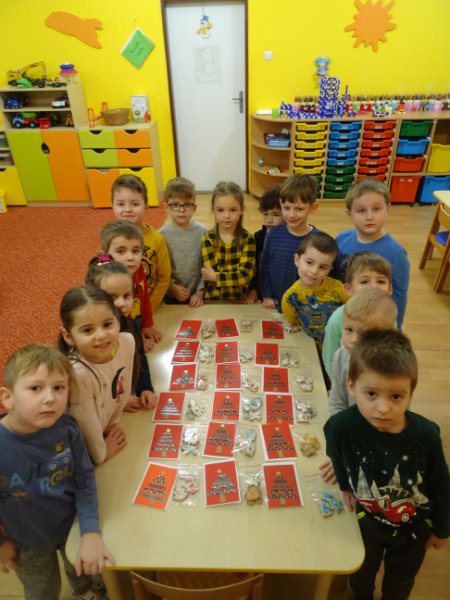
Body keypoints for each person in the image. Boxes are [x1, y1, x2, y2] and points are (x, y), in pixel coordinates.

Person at [324, 329, 450, 600]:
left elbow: (441, 485)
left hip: (413, 529)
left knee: (400, 583)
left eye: (396, 396)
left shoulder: (427, 435)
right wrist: (345, 486)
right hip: (367, 521)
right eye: (371, 394)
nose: (383, 408)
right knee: (361, 575)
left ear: (410, 392)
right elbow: (336, 455)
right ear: (351, 386)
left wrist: (442, 529)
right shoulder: (339, 427)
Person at [0, 343, 114, 600]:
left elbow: (84, 478)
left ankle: (86, 593)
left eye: (59, 388)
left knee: (84, 575)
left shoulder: (67, 428)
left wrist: (90, 531)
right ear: (8, 398)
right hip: (26, 542)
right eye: (35, 388)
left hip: (71, 527)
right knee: (41, 591)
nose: (50, 398)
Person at [58, 285, 134, 465]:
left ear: (118, 321)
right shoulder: (78, 373)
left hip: (103, 422)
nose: (101, 335)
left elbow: (124, 382)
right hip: (79, 443)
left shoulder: (127, 342)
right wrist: (101, 454)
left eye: (107, 324)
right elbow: (85, 423)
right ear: (68, 336)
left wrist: (113, 421)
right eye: (87, 330)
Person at [335, 177, 410, 329]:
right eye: (361, 211)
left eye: (376, 209)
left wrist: (393, 328)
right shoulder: (341, 240)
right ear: (349, 214)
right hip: (344, 317)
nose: (369, 217)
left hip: (375, 322)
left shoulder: (396, 254)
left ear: (387, 209)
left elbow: (399, 295)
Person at [85, 255, 157, 412]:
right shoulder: (92, 339)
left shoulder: (132, 325)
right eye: (112, 297)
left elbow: (139, 358)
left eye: (127, 295)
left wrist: (145, 388)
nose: (122, 303)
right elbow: (91, 382)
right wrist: (118, 401)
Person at [322, 251, 393, 381]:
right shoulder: (337, 319)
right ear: (349, 289)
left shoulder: (389, 317)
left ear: (389, 289)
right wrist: (344, 386)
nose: (373, 287)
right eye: (364, 281)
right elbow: (330, 360)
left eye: (381, 281)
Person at [328, 287, 398, 416]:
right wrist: (339, 424)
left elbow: (397, 413)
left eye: (364, 334)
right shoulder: (341, 356)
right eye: (349, 330)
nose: (353, 340)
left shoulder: (396, 368)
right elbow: (336, 401)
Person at [111, 173, 171, 312]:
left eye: (135, 204)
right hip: (120, 309)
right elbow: (102, 265)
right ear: (112, 206)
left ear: (146, 207)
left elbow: (164, 278)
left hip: (149, 308)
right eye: (121, 204)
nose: (127, 209)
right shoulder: (110, 240)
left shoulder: (157, 240)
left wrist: (148, 309)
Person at [99, 219, 162, 352]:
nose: (130, 257)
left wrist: (146, 326)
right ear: (106, 254)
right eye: (121, 252)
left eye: (135, 251)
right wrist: (137, 340)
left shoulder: (138, 269)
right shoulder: (103, 278)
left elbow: (144, 298)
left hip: (133, 318)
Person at [260, 173, 319, 310]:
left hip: (304, 307)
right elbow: (264, 268)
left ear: (313, 208)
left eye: (299, 209)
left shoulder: (318, 240)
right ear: (281, 204)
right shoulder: (272, 235)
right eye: (287, 208)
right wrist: (266, 295)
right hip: (274, 303)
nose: (291, 215)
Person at [281, 231, 348, 342]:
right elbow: (294, 322)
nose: (314, 271)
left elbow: (352, 312)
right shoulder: (289, 298)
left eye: (322, 267)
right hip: (310, 343)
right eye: (309, 263)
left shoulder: (339, 289)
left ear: (329, 269)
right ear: (297, 260)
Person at [201, 181, 256, 301]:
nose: (226, 216)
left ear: (241, 210)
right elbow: (209, 276)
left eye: (233, 210)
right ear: (213, 210)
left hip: (241, 300)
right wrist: (233, 276)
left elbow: (245, 276)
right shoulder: (207, 239)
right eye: (220, 210)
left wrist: (216, 277)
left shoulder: (248, 239)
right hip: (213, 299)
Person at [159, 177, 208, 307]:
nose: (181, 210)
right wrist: (172, 286)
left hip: (198, 296)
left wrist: (200, 291)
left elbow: (208, 264)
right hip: (170, 296)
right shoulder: (161, 236)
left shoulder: (203, 232)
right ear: (166, 207)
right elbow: (160, 269)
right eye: (175, 205)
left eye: (187, 204)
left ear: (194, 207)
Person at [245, 185, 283, 304]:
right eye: (266, 214)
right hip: (262, 293)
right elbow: (254, 268)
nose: (269, 220)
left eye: (276, 214)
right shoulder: (258, 237)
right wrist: (253, 290)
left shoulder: (289, 238)